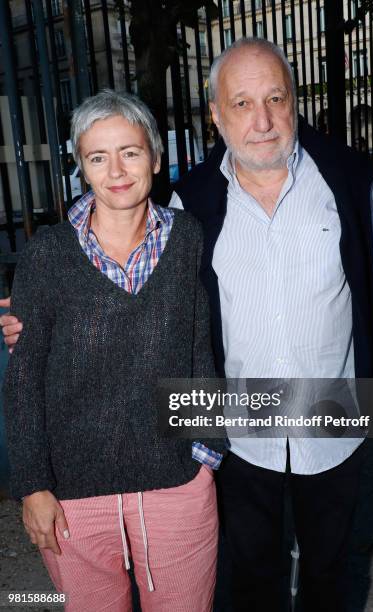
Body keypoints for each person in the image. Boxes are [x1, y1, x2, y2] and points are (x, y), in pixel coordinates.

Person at [1, 39, 373, 612]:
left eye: (274, 98)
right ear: (215, 114)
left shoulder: (352, 179)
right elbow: (162, 313)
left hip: (333, 412)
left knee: (333, 572)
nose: (261, 121)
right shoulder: (194, 202)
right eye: (240, 103)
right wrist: (37, 325)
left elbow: (372, 289)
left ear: (293, 102)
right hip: (238, 424)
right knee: (249, 575)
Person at [1, 90, 224, 612]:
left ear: (154, 156)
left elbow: (200, 351)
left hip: (176, 484)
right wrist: (33, 486)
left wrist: (206, 456)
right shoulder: (48, 254)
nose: (117, 170)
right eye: (98, 157)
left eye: (130, 151)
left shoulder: (188, 238)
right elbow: (25, 379)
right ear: (82, 168)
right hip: (74, 494)